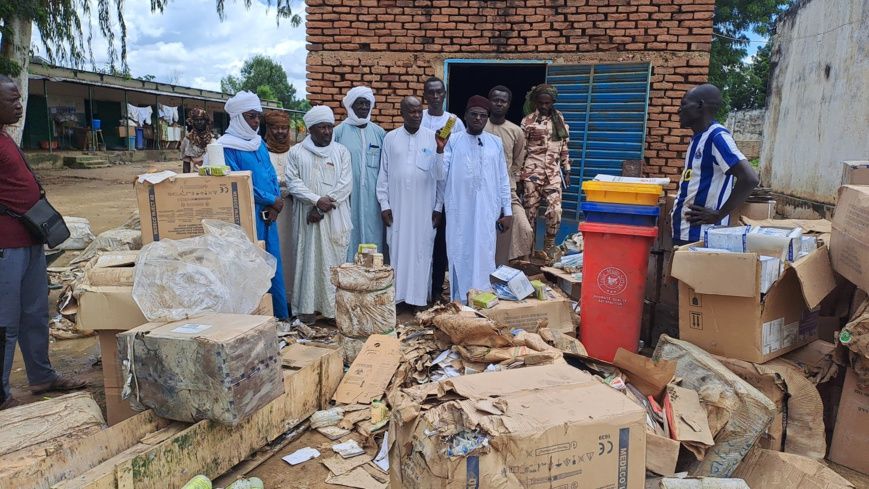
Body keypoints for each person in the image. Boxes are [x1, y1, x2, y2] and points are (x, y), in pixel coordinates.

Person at [0, 75, 86, 409]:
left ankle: (41, 376)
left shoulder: (5, 136)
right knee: (5, 321)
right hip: (6, 246)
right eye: (12, 100)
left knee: (35, 313)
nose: (20, 105)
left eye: (20, 99)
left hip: (30, 239)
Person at [218, 91, 289, 320]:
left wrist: (276, 204)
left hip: (269, 214)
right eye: (251, 117)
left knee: (273, 265)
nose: (256, 121)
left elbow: (269, 174)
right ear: (238, 117)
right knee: (253, 266)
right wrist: (271, 200)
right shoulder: (225, 147)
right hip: (248, 215)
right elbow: (239, 181)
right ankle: (258, 319)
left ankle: (279, 317)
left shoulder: (257, 143)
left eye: (257, 116)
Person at [437, 95, 512, 303]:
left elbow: (502, 178)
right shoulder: (453, 140)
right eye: (474, 114)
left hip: (487, 211)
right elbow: (440, 175)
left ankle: (482, 299)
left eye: (482, 115)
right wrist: (439, 150)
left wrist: (508, 211)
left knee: (484, 253)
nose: (478, 118)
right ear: (466, 116)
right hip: (459, 210)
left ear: (487, 118)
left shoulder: (495, 143)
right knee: (459, 252)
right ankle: (460, 301)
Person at [376, 96, 448, 309]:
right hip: (397, 207)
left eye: (419, 111)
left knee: (422, 252)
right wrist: (384, 204)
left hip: (424, 208)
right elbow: (383, 174)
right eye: (411, 112)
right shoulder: (391, 138)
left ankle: (418, 299)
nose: (416, 115)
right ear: (402, 113)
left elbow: (439, 176)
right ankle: (398, 299)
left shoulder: (432, 138)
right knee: (397, 250)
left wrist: (438, 207)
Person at [285, 106, 353, 323]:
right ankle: (306, 310)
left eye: (330, 127)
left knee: (334, 263)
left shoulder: (341, 152)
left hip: (334, 216)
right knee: (307, 263)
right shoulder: (296, 152)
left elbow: (346, 183)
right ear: (310, 129)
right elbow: (293, 183)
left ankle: (333, 312)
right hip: (307, 217)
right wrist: (315, 200)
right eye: (322, 127)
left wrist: (323, 204)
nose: (327, 132)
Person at [671, 84, 759, 244]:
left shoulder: (717, 137)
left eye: (683, 104)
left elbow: (750, 178)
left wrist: (719, 214)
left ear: (699, 106)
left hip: (701, 237)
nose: (679, 110)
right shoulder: (698, 138)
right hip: (685, 233)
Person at [422, 76, 465, 303]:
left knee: (440, 245)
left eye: (439, 92)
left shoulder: (454, 122)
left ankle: (437, 290)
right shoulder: (419, 119)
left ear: (445, 94)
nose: (436, 97)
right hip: (421, 188)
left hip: (446, 190)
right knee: (421, 242)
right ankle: (420, 288)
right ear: (425, 96)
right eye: (431, 93)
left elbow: (458, 154)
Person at [333, 86, 386, 261]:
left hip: (373, 201)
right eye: (359, 103)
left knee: (375, 239)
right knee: (348, 239)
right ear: (350, 106)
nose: (364, 107)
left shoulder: (379, 133)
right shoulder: (338, 132)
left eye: (367, 103)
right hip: (347, 198)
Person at [485, 85, 534, 264]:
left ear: (508, 104)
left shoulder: (516, 131)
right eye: (495, 100)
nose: (499, 104)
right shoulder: (479, 126)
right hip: (482, 191)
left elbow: (517, 163)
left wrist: (509, 182)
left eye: (503, 101)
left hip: (507, 191)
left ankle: (513, 266)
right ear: (489, 102)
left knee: (523, 228)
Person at [520, 84, 571, 256]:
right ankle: (528, 251)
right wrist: (520, 176)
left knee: (556, 211)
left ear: (552, 102)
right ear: (535, 102)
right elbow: (522, 150)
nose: (543, 106)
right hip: (532, 174)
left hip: (553, 174)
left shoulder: (559, 119)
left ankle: (549, 247)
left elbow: (564, 146)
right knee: (529, 215)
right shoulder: (527, 122)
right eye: (540, 103)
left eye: (547, 103)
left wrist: (567, 169)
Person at [264, 109, 295, 307]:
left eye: (284, 128)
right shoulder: (261, 152)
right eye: (276, 128)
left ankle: (293, 300)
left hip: (293, 211)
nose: (281, 132)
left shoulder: (296, 152)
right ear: (267, 129)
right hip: (271, 213)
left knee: (293, 253)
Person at [180, 107, 212, 173]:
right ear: (192, 122)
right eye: (196, 120)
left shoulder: (212, 139)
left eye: (201, 119)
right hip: (197, 175)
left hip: (213, 176)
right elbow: (186, 164)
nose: (199, 122)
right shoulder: (188, 139)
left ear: (206, 121)